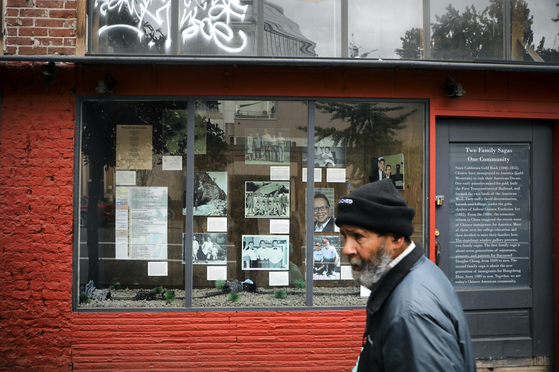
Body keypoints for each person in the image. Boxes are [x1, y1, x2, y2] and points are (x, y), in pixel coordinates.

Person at [335, 179, 475, 372]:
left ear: (396, 238)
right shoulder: (419, 272)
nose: (346, 249)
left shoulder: (410, 315)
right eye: (344, 236)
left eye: (358, 236)